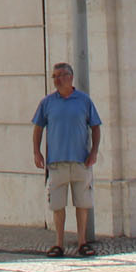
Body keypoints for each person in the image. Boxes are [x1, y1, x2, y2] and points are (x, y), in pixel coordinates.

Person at [31, 61, 103, 257]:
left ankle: (82, 243)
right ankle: (59, 243)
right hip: (56, 163)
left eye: (60, 75)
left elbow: (96, 127)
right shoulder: (47, 102)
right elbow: (38, 127)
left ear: (70, 77)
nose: (56, 80)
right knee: (57, 205)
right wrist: (37, 152)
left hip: (81, 161)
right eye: (54, 76)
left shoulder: (84, 101)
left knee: (82, 203)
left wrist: (94, 152)